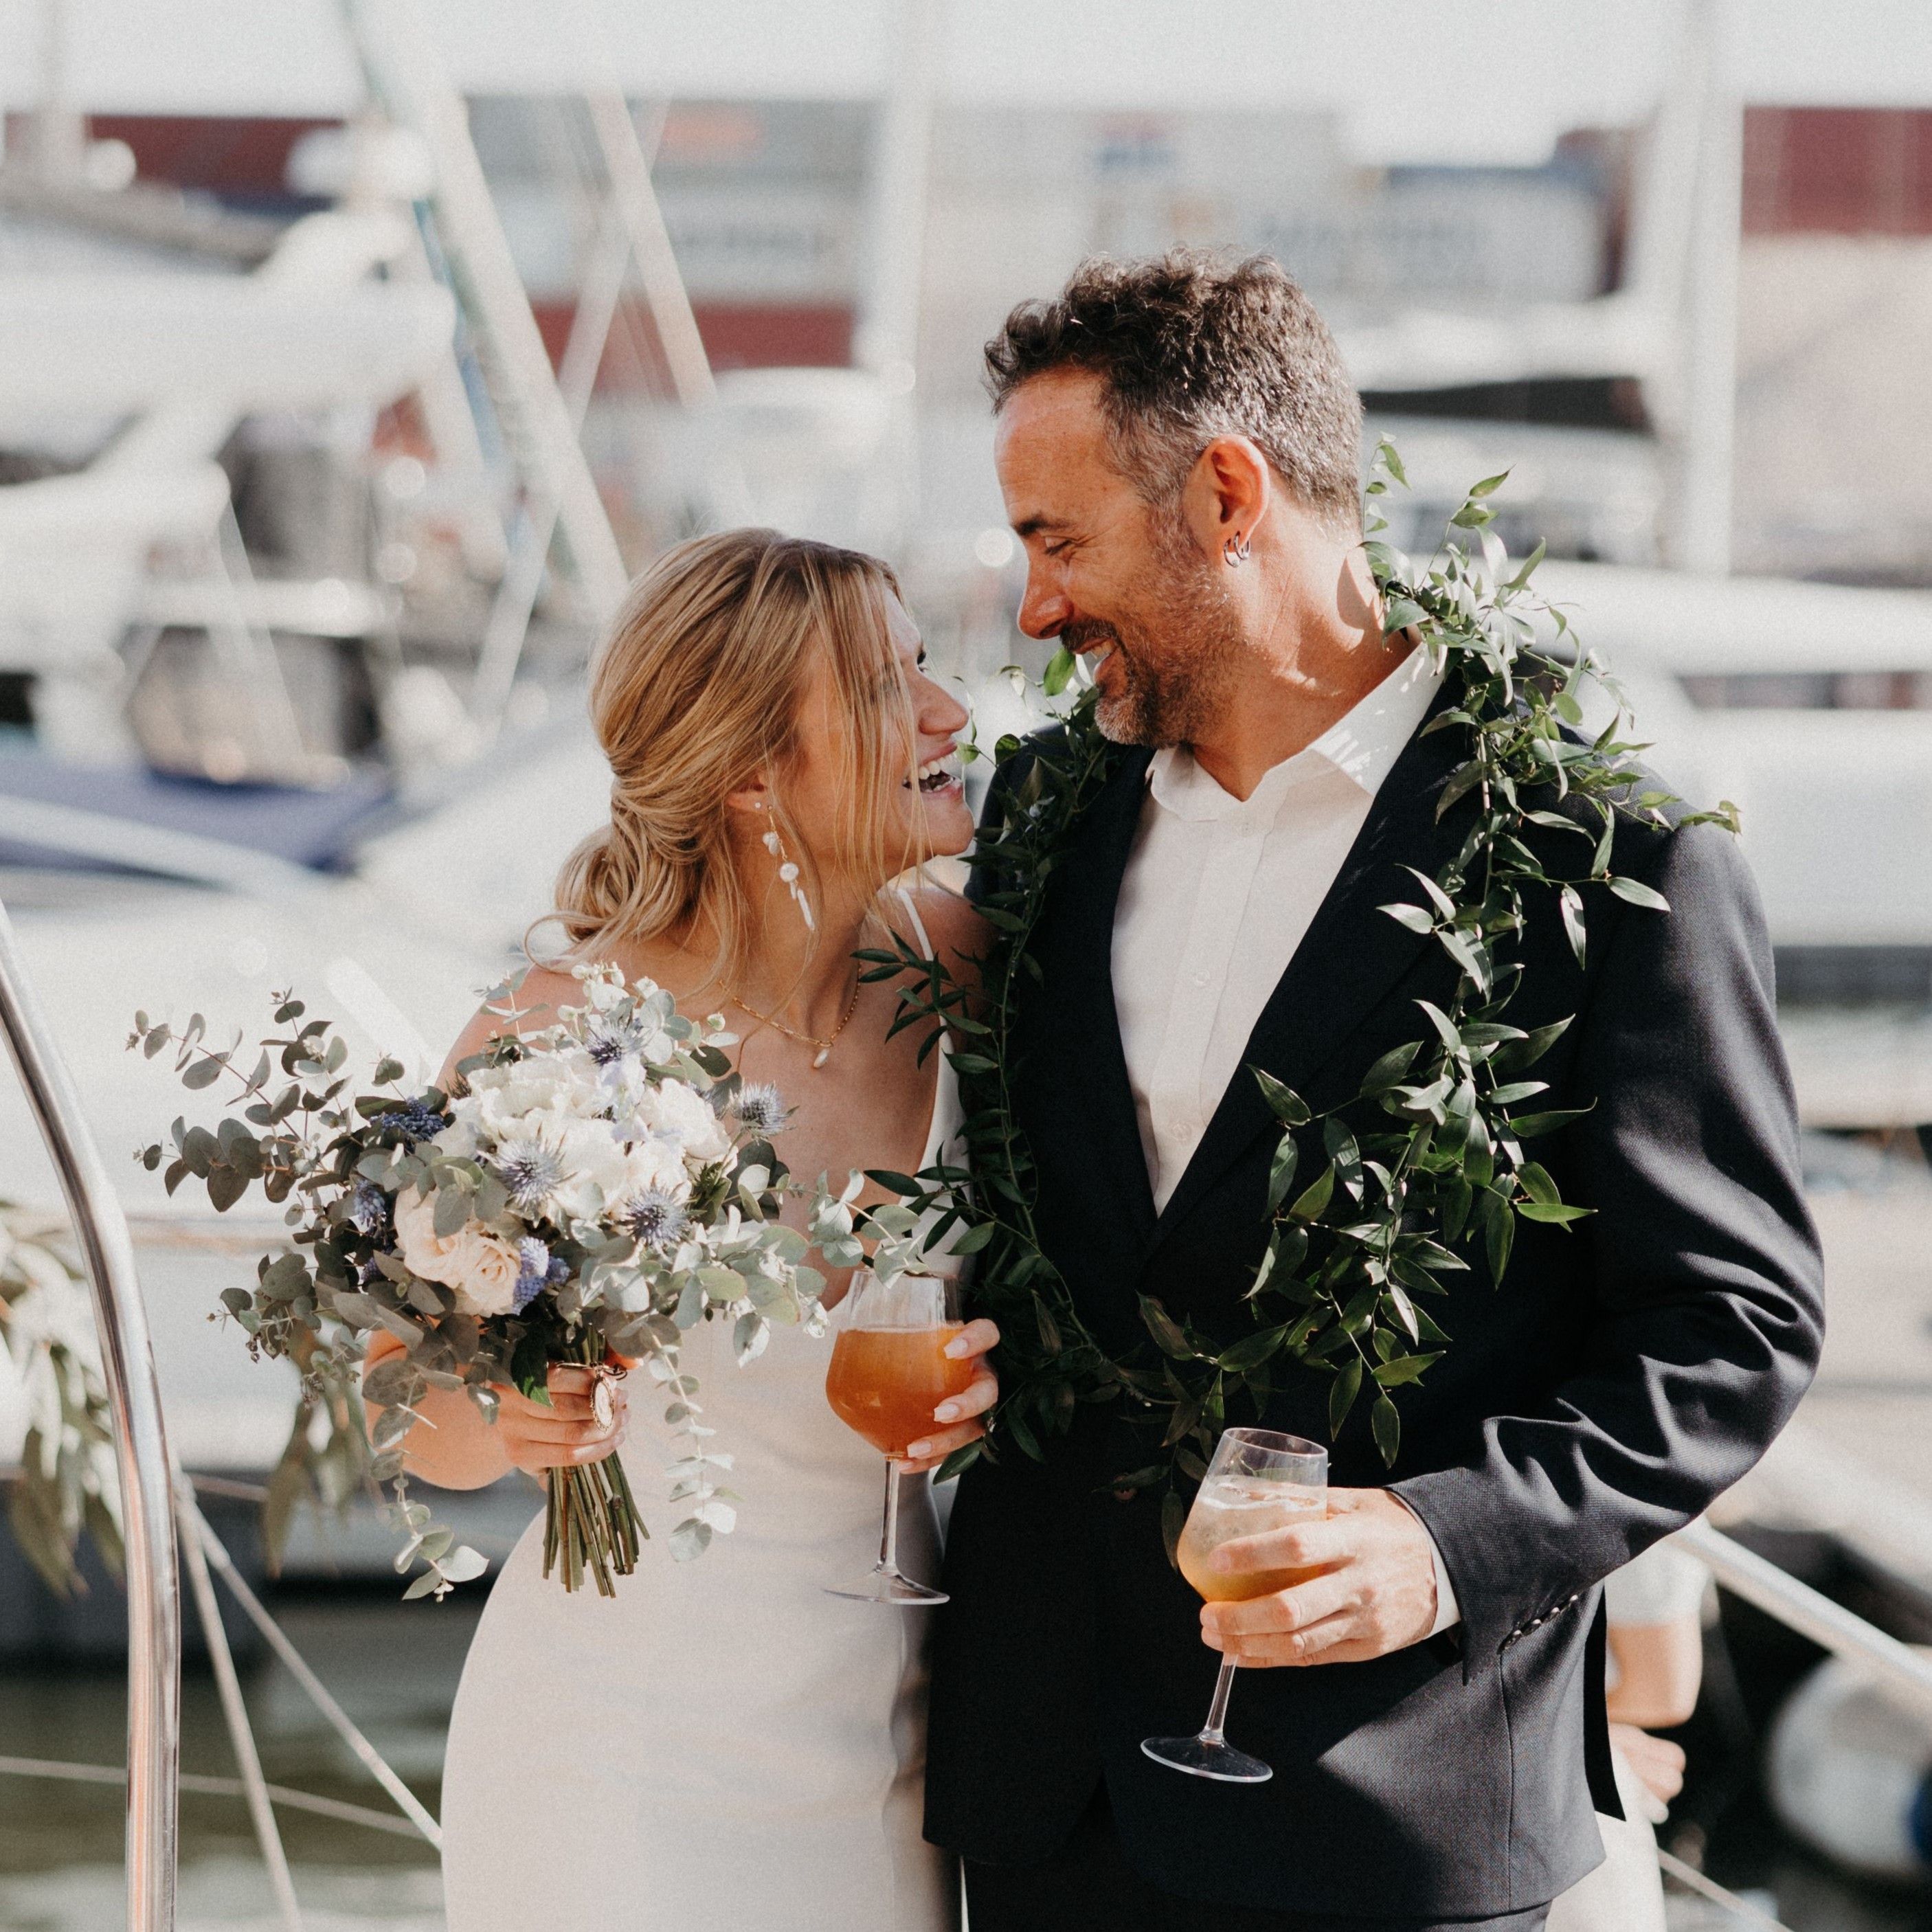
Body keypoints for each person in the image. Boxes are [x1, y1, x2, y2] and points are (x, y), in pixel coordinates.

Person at [923, 251, 1826, 1930]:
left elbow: (1728, 1328)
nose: (1034, 607)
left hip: (1393, 1805)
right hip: (1045, 1791)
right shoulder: (1039, 814)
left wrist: (1440, 1543)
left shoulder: (1608, 857)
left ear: (1224, 494)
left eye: (1059, 543)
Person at [382, 530, 998, 1931]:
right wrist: (510, 1411)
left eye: (926, 667)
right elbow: (407, 1417)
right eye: (889, 688)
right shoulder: (552, 1033)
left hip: (896, 1753)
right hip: (614, 1756)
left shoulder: (963, 971)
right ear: (754, 771)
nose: (950, 712)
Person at [1547, 1533, 1713, 1932]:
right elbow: (1665, 1688)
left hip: (1560, 1789)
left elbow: (1664, 1686)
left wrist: (1571, 1733)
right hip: (1562, 1784)